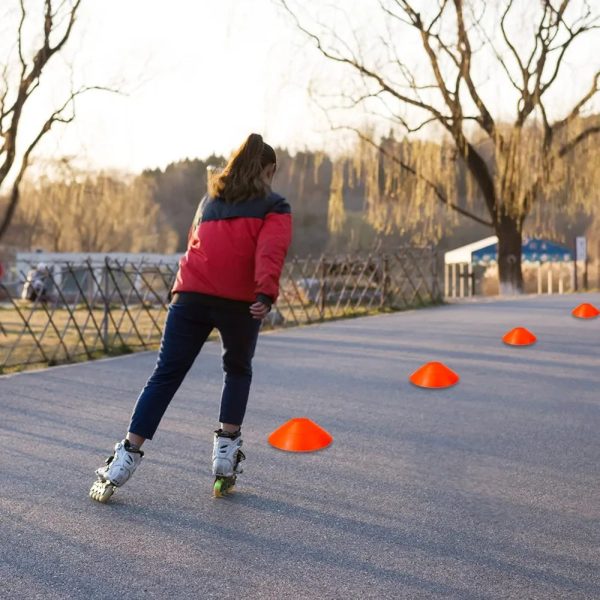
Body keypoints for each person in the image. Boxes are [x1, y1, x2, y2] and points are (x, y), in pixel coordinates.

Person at [90, 133, 292, 502]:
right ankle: (225, 456)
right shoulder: (274, 205)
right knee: (237, 369)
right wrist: (265, 293)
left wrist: (183, 291)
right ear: (269, 170)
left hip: (191, 295)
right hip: (239, 301)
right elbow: (271, 250)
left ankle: (124, 457)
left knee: (165, 375)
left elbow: (194, 242)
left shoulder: (210, 199)